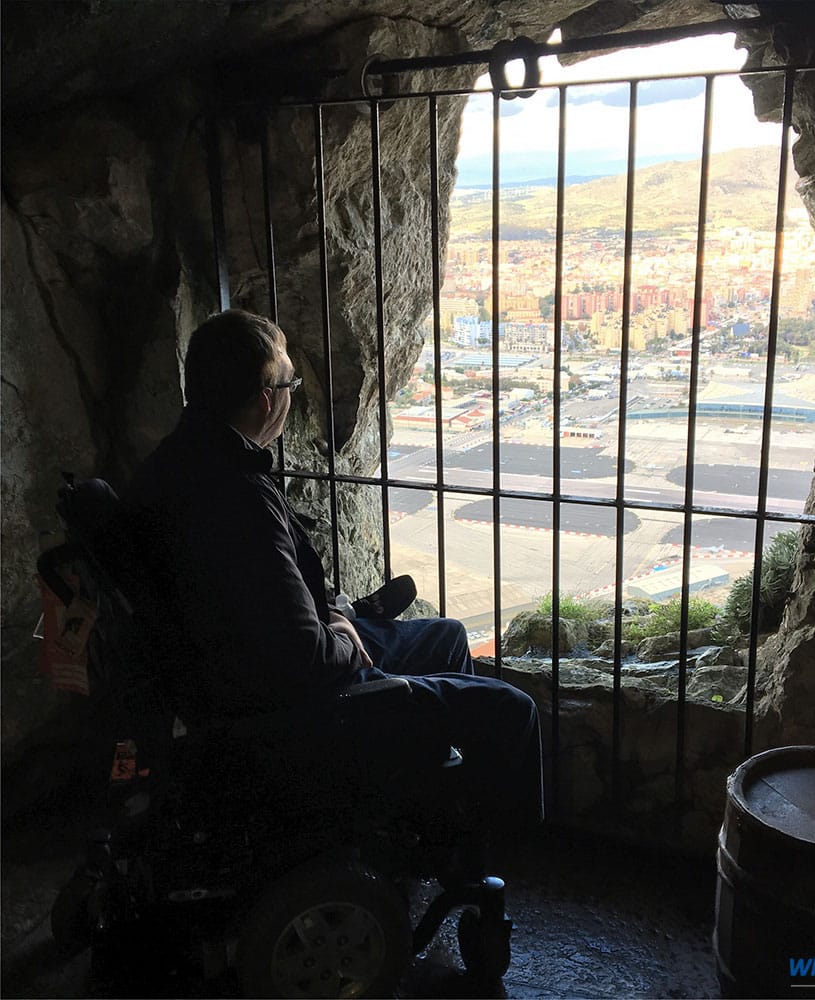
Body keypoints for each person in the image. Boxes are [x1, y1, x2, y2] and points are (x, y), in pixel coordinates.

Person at [126, 308, 543, 833]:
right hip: (302, 711)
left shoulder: (177, 464)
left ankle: (428, 815)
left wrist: (335, 617)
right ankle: (491, 857)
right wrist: (342, 636)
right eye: (290, 383)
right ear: (265, 395)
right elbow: (306, 658)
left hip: (236, 681)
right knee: (512, 708)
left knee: (448, 636)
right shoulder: (236, 497)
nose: (291, 394)